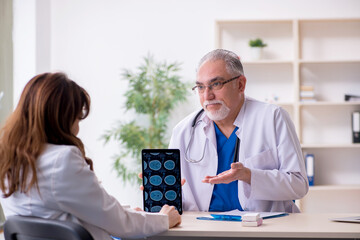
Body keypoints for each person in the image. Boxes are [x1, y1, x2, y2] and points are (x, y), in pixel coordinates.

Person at [0, 72, 181, 240]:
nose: (77, 129)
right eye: (77, 119)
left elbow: (61, 214)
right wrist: (163, 219)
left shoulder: (8, 159)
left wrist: (128, 213)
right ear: (60, 119)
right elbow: (120, 224)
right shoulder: (62, 160)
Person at [169, 49, 309, 213]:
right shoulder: (184, 131)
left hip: (263, 228)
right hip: (204, 228)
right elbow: (180, 200)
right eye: (200, 87)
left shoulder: (273, 118)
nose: (207, 95)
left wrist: (249, 175)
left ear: (240, 84)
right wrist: (162, 193)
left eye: (216, 84)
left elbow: (299, 186)